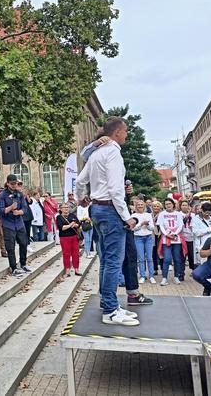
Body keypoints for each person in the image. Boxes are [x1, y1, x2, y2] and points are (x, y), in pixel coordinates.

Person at [75, 117, 139, 326]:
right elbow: (115, 188)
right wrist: (126, 216)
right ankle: (111, 310)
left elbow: (80, 180)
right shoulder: (112, 153)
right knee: (113, 261)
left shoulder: (96, 154)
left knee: (105, 259)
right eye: (126, 131)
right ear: (117, 133)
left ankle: (107, 301)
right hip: (110, 210)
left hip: (97, 208)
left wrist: (81, 197)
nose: (127, 135)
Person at [0, 174, 31, 276]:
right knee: (10, 246)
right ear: (7, 183)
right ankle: (13, 267)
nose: (14, 185)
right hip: (8, 224)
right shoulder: (2, 195)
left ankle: (23, 263)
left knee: (23, 243)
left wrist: (19, 212)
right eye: (12, 183)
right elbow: (1, 211)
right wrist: (11, 207)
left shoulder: (19, 194)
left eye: (15, 183)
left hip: (19, 222)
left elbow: (25, 208)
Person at [156, 198, 186, 286]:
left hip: (176, 239)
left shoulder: (178, 214)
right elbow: (161, 226)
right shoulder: (162, 214)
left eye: (169, 203)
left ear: (173, 204)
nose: (168, 205)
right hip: (166, 239)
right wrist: (166, 234)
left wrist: (175, 234)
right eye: (166, 204)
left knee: (177, 259)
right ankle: (164, 278)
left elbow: (181, 225)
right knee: (167, 259)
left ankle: (176, 276)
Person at [132, 199, 155, 284]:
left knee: (150, 258)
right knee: (141, 258)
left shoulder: (148, 215)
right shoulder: (133, 215)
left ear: (144, 206)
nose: (140, 206)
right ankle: (142, 275)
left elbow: (152, 228)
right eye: (138, 205)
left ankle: (151, 276)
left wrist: (147, 224)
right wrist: (141, 224)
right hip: (138, 238)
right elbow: (133, 228)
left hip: (148, 237)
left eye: (142, 204)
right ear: (136, 206)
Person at [56, 203, 81, 277]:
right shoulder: (59, 217)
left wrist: (75, 225)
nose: (66, 209)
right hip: (64, 238)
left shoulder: (72, 215)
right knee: (66, 254)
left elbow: (78, 224)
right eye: (64, 207)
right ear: (61, 209)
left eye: (67, 207)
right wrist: (70, 225)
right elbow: (61, 228)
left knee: (75, 253)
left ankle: (76, 269)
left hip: (74, 237)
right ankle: (67, 270)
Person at [180, 200, 196, 275]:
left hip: (191, 237)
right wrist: (187, 215)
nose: (184, 206)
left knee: (192, 255)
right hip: (182, 238)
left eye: (186, 205)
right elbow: (181, 223)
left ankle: (193, 270)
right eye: (183, 205)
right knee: (182, 256)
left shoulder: (194, 215)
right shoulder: (179, 214)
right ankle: (181, 272)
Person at [150, 201, 162, 275]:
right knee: (153, 252)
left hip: (161, 234)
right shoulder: (149, 215)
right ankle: (155, 268)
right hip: (152, 235)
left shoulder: (162, 215)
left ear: (160, 208)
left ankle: (163, 267)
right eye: (154, 206)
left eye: (157, 206)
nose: (156, 208)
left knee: (161, 251)